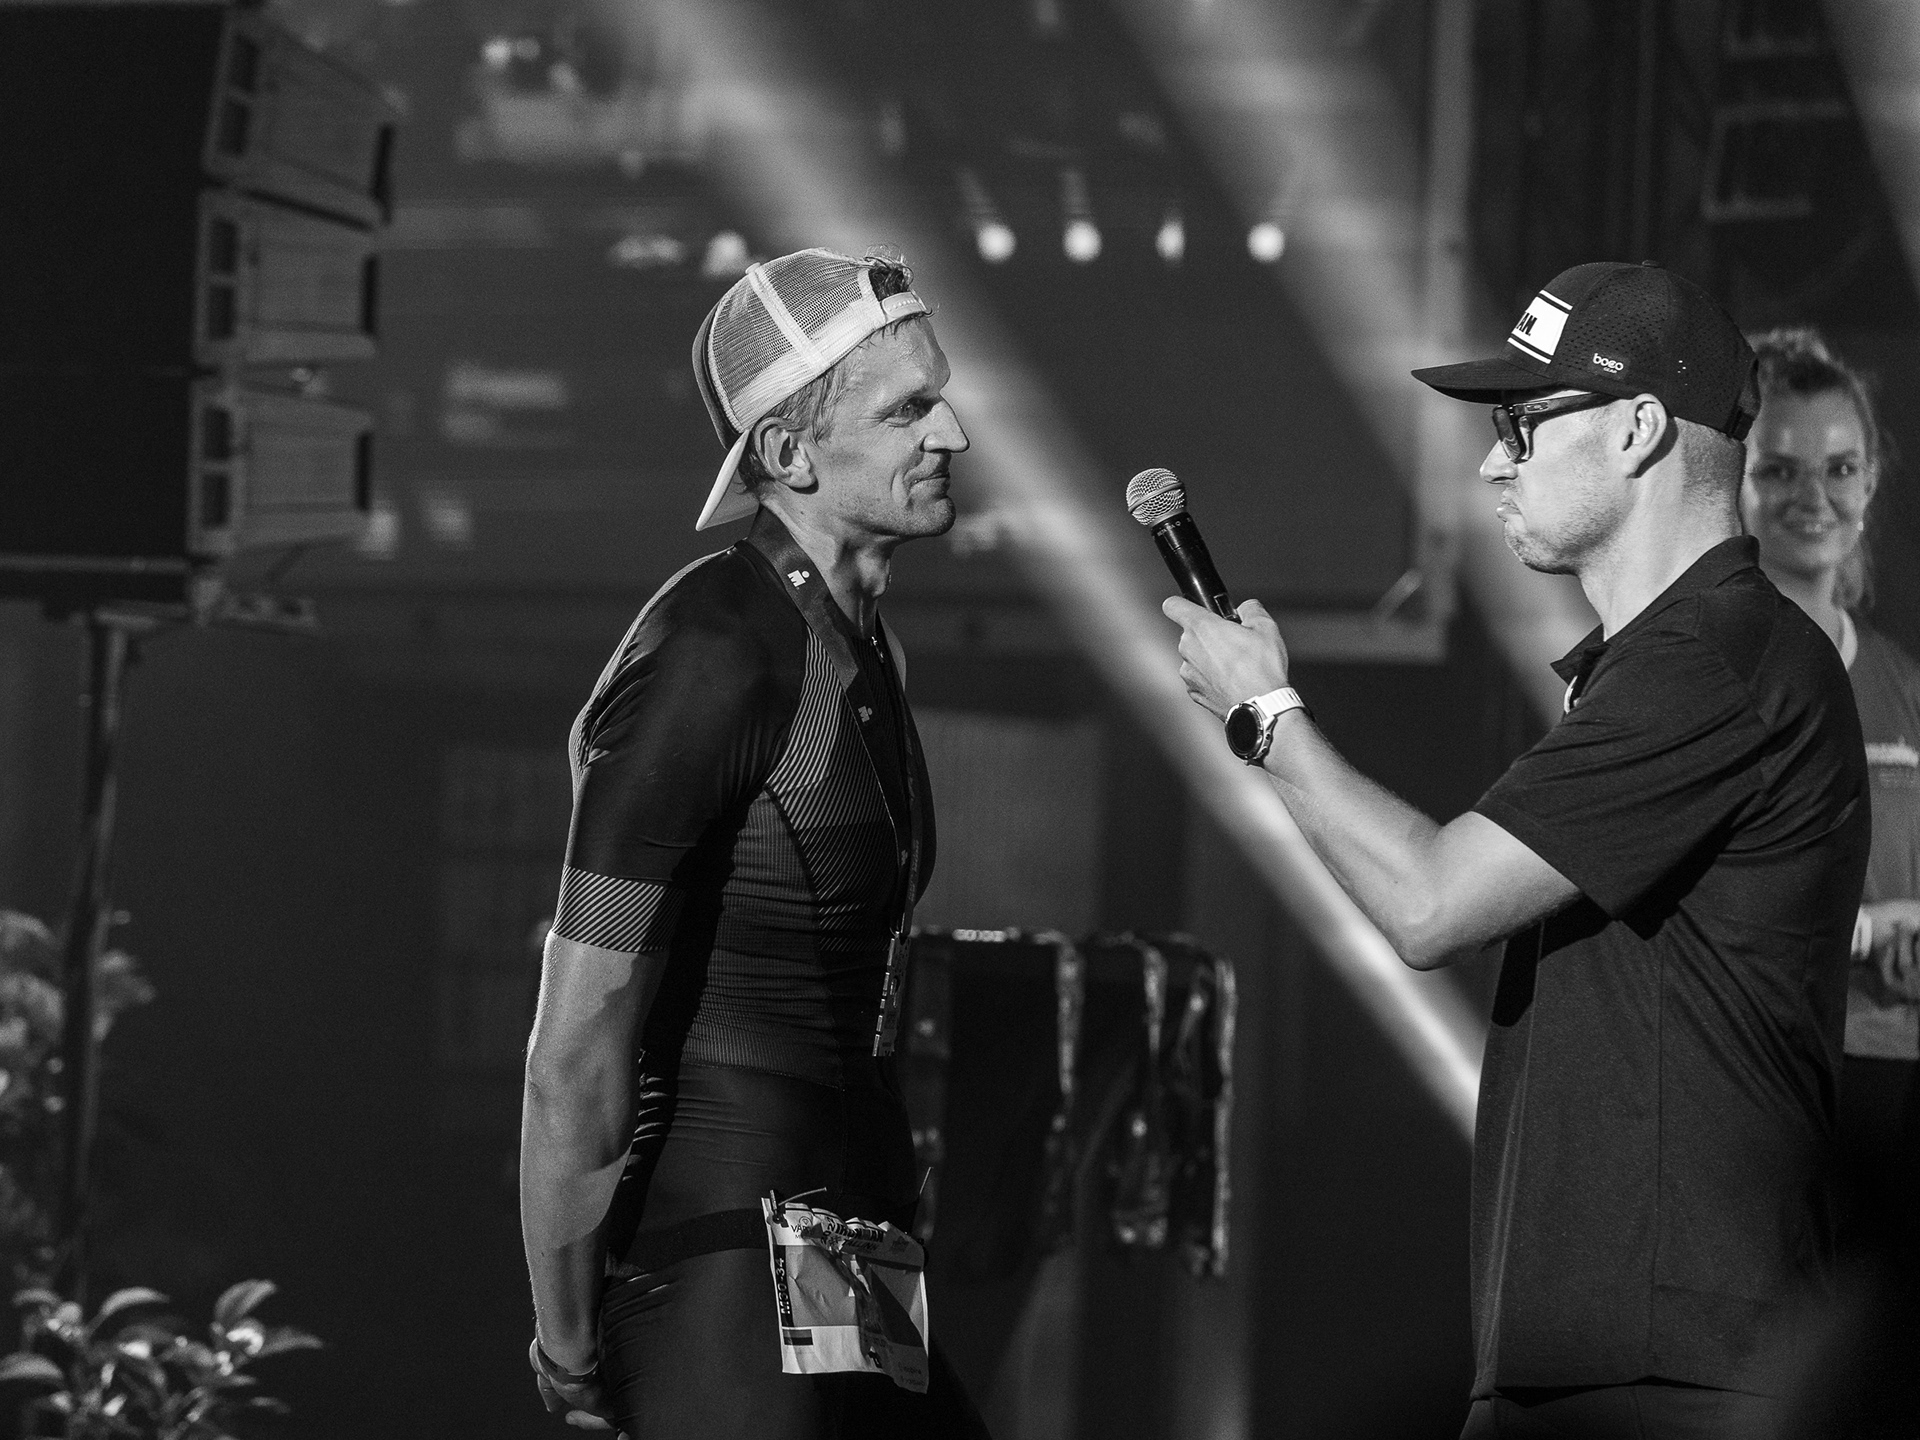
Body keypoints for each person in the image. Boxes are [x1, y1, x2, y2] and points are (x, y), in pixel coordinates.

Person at [1164, 262, 1869, 1438]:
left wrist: (1265, 716)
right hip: (1613, 1347)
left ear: (1639, 429)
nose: (1494, 465)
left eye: (1524, 424)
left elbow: (1430, 902)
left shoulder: (1718, 658)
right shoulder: (1668, 661)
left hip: (1670, 1363)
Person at [518, 246, 990, 1439]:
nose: (954, 434)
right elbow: (574, 1050)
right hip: (719, 1250)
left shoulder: (860, 640)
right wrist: (567, 1346)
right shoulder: (710, 653)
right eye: (909, 411)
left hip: (848, 1239)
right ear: (788, 453)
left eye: (940, 396)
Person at [1740, 326, 1920, 1434]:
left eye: (1840, 467)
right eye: (1781, 469)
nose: (1815, 497)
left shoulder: (1904, 687)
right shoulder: (1703, 673)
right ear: (1736, 482)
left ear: (1873, 480)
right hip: (1756, 1086)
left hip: (1892, 1086)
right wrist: (1858, 935)